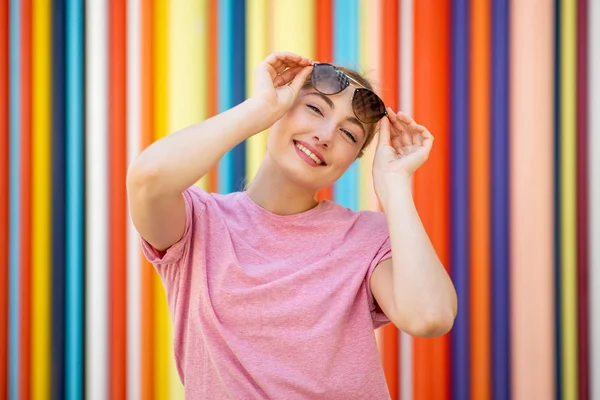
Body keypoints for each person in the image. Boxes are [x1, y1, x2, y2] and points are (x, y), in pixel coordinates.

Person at [127, 52, 457, 399]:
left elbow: (430, 316)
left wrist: (395, 184)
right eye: (315, 109)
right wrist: (259, 108)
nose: (326, 135)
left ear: (354, 160)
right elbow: (148, 180)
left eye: (349, 133)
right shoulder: (199, 223)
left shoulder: (366, 238)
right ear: (280, 109)